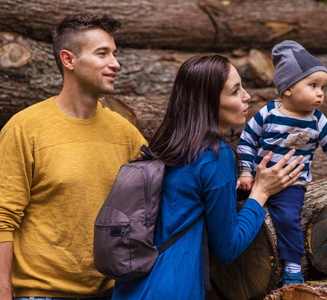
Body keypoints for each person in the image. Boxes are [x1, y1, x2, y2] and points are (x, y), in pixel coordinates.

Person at [111, 54, 304, 299]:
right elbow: (227, 247)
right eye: (235, 91)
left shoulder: (166, 146)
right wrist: (261, 192)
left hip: (130, 288)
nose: (247, 96)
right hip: (173, 290)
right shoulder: (215, 155)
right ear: (208, 102)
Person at [0, 13, 147, 299]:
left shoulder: (124, 132)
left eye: (114, 54)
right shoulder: (24, 128)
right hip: (41, 293)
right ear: (69, 60)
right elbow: (2, 218)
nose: (115, 64)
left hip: (112, 291)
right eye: (102, 54)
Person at [237, 40, 327, 285]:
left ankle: (293, 267)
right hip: (257, 180)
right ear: (287, 88)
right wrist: (245, 172)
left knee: (288, 218)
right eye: (313, 85)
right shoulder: (268, 113)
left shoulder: (317, 121)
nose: (320, 92)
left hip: (290, 185)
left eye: (322, 87)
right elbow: (246, 141)